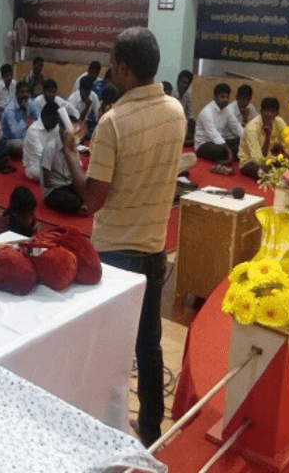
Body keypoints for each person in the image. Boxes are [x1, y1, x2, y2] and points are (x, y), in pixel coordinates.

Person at [59, 27, 185, 447]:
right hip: (154, 246)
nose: (110, 70)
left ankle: (101, 427)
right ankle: (150, 428)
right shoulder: (176, 111)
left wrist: (70, 153)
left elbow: (93, 201)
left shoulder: (113, 123)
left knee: (109, 348)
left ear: (126, 68)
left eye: (114, 62)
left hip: (115, 252)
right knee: (149, 344)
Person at [39, 106, 84, 214]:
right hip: (54, 189)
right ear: (60, 128)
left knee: (88, 191)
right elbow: (47, 181)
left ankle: (79, 203)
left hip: (67, 184)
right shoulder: (50, 147)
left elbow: (77, 170)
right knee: (74, 201)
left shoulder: (73, 146)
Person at [238, 97, 286, 179]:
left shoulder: (280, 122)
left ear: (277, 113)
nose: (269, 114)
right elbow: (258, 160)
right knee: (262, 171)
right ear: (261, 112)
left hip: (271, 159)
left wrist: (285, 156)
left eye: (272, 111)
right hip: (250, 162)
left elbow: (288, 145)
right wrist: (268, 136)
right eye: (266, 111)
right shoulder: (252, 127)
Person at [194, 83, 243, 162]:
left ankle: (230, 155)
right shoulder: (207, 112)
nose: (225, 100)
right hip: (204, 144)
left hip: (220, 141)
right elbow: (214, 135)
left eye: (227, 97)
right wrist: (229, 151)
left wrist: (249, 139)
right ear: (215, 96)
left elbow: (237, 127)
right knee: (219, 151)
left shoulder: (226, 110)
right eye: (222, 97)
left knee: (240, 142)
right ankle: (232, 155)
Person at [1, 82, 40, 157]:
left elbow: (39, 120)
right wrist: (24, 116)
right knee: (19, 145)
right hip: (11, 139)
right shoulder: (10, 109)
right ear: (16, 94)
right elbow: (16, 134)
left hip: (25, 136)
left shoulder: (30, 102)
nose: (25, 95)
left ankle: (33, 152)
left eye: (27, 92)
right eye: (22, 92)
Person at [23, 102, 59, 181]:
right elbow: (43, 155)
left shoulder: (53, 125)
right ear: (45, 116)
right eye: (54, 121)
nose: (56, 124)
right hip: (34, 166)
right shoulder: (33, 131)